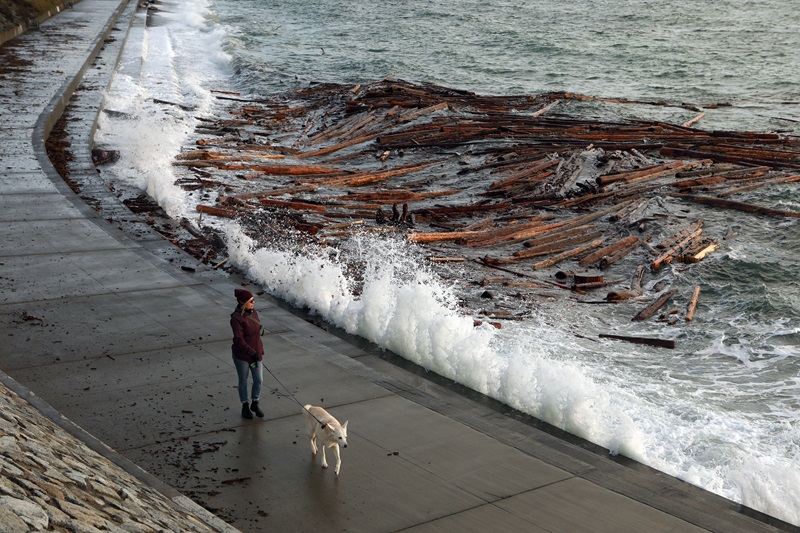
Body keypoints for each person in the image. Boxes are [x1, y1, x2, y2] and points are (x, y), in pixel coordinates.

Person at [230, 288, 265, 419]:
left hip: (255, 355)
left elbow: (256, 336)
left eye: (253, 300)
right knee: (243, 381)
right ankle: (245, 406)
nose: (254, 302)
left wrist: (259, 350)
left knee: (259, 380)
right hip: (242, 356)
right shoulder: (236, 319)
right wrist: (252, 352)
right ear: (243, 303)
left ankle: (255, 403)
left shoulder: (254, 313)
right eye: (251, 301)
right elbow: (239, 340)